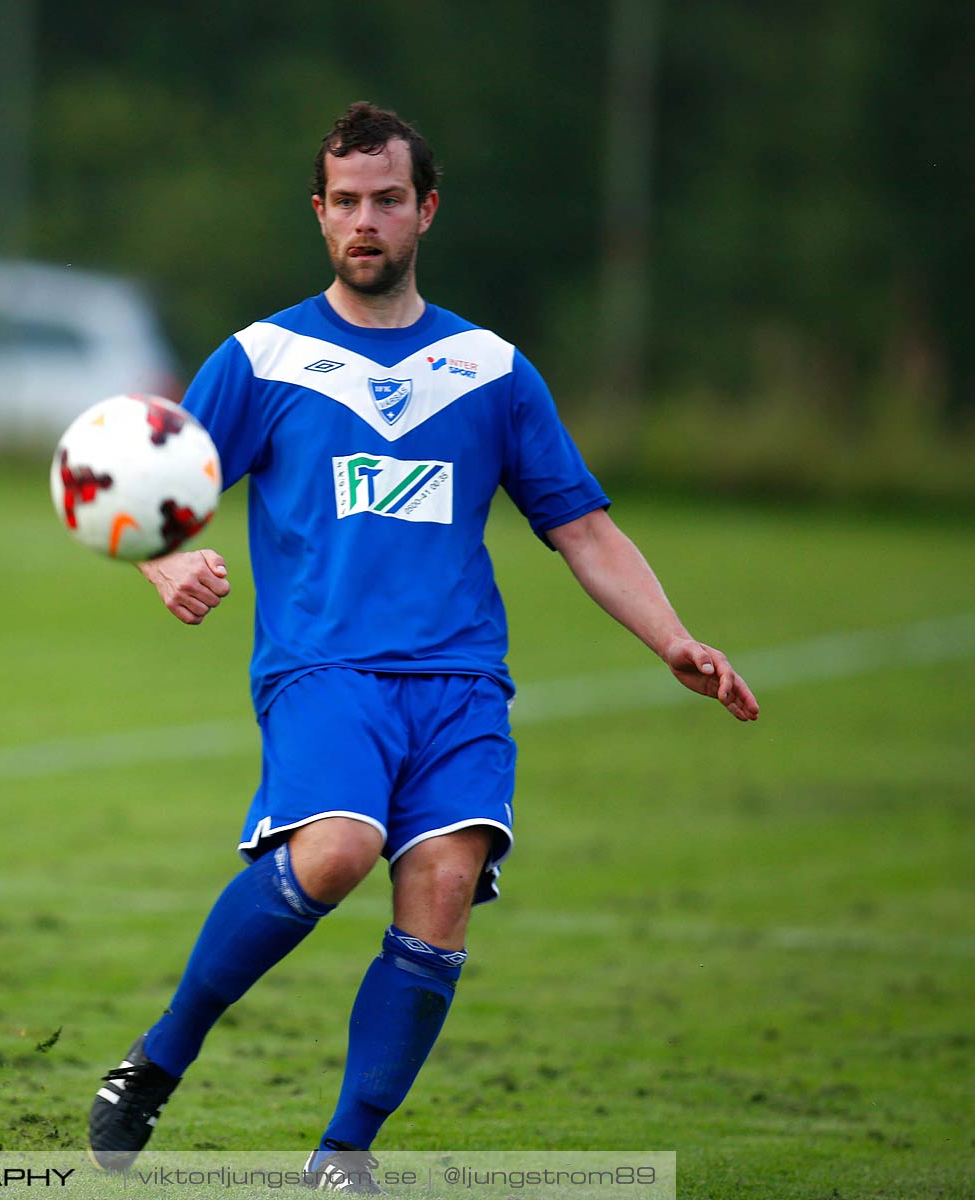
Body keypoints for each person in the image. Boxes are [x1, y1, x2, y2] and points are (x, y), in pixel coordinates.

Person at [84, 102, 758, 1191]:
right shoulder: (265, 357)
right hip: (324, 667)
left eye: (386, 200)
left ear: (425, 209)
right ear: (318, 214)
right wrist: (163, 560)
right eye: (345, 201)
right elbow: (150, 482)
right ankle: (161, 1058)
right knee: (339, 848)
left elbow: (582, 526)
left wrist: (671, 636)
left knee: (441, 891)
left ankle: (343, 1154)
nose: (365, 220)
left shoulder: (490, 371)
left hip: (458, 682)